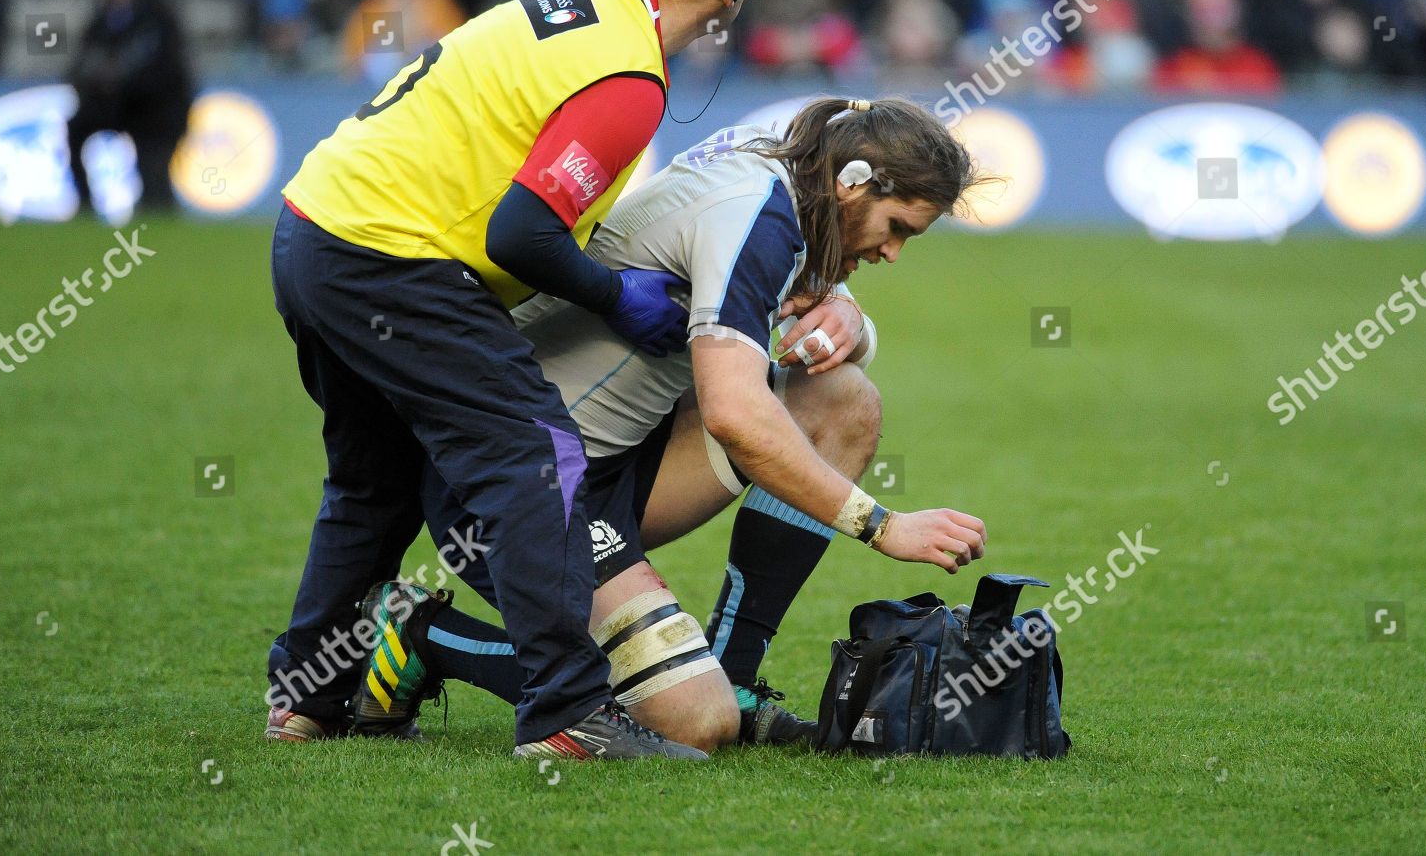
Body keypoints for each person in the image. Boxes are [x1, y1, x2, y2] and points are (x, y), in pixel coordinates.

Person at [265, 0, 770, 762]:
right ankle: (569, 713)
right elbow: (524, 230)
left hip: (312, 231)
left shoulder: (573, 5)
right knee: (538, 460)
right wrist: (618, 298)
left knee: (372, 482)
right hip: (394, 260)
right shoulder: (628, 71)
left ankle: (308, 697)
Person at [361, 97, 992, 752]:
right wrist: (882, 526)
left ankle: (736, 678)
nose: (892, 252)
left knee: (841, 402)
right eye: (897, 227)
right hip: (521, 485)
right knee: (694, 721)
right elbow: (734, 414)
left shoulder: (776, 170)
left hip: (610, 458)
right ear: (851, 182)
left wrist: (851, 319)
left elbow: (774, 283)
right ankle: (423, 634)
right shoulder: (757, 213)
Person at [65, 0, 194, 211]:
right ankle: (85, 204)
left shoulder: (158, 18)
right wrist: (98, 82)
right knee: (75, 127)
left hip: (156, 112)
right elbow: (80, 65)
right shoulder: (102, 20)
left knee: (154, 182)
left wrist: (120, 78)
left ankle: (157, 213)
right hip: (117, 105)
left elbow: (168, 72)